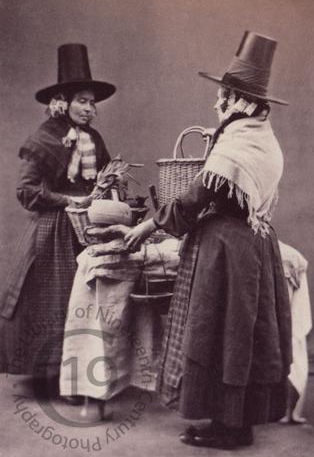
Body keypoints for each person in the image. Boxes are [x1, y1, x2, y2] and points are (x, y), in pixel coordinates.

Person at [123, 31, 292, 449]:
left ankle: (232, 429)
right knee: (232, 335)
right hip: (248, 248)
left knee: (226, 334)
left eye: (225, 94)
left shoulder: (239, 144)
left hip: (229, 253)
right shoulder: (259, 136)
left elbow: (198, 197)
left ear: (239, 99)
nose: (219, 102)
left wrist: (149, 225)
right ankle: (231, 421)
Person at [0, 44, 116, 392]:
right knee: (55, 298)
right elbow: (27, 192)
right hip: (52, 234)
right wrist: (69, 200)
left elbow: (103, 179)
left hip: (86, 230)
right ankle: (52, 375)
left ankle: (80, 373)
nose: (90, 109)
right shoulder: (44, 138)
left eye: (92, 102)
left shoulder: (93, 139)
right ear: (63, 101)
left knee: (85, 300)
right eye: (83, 100)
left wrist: (109, 195)